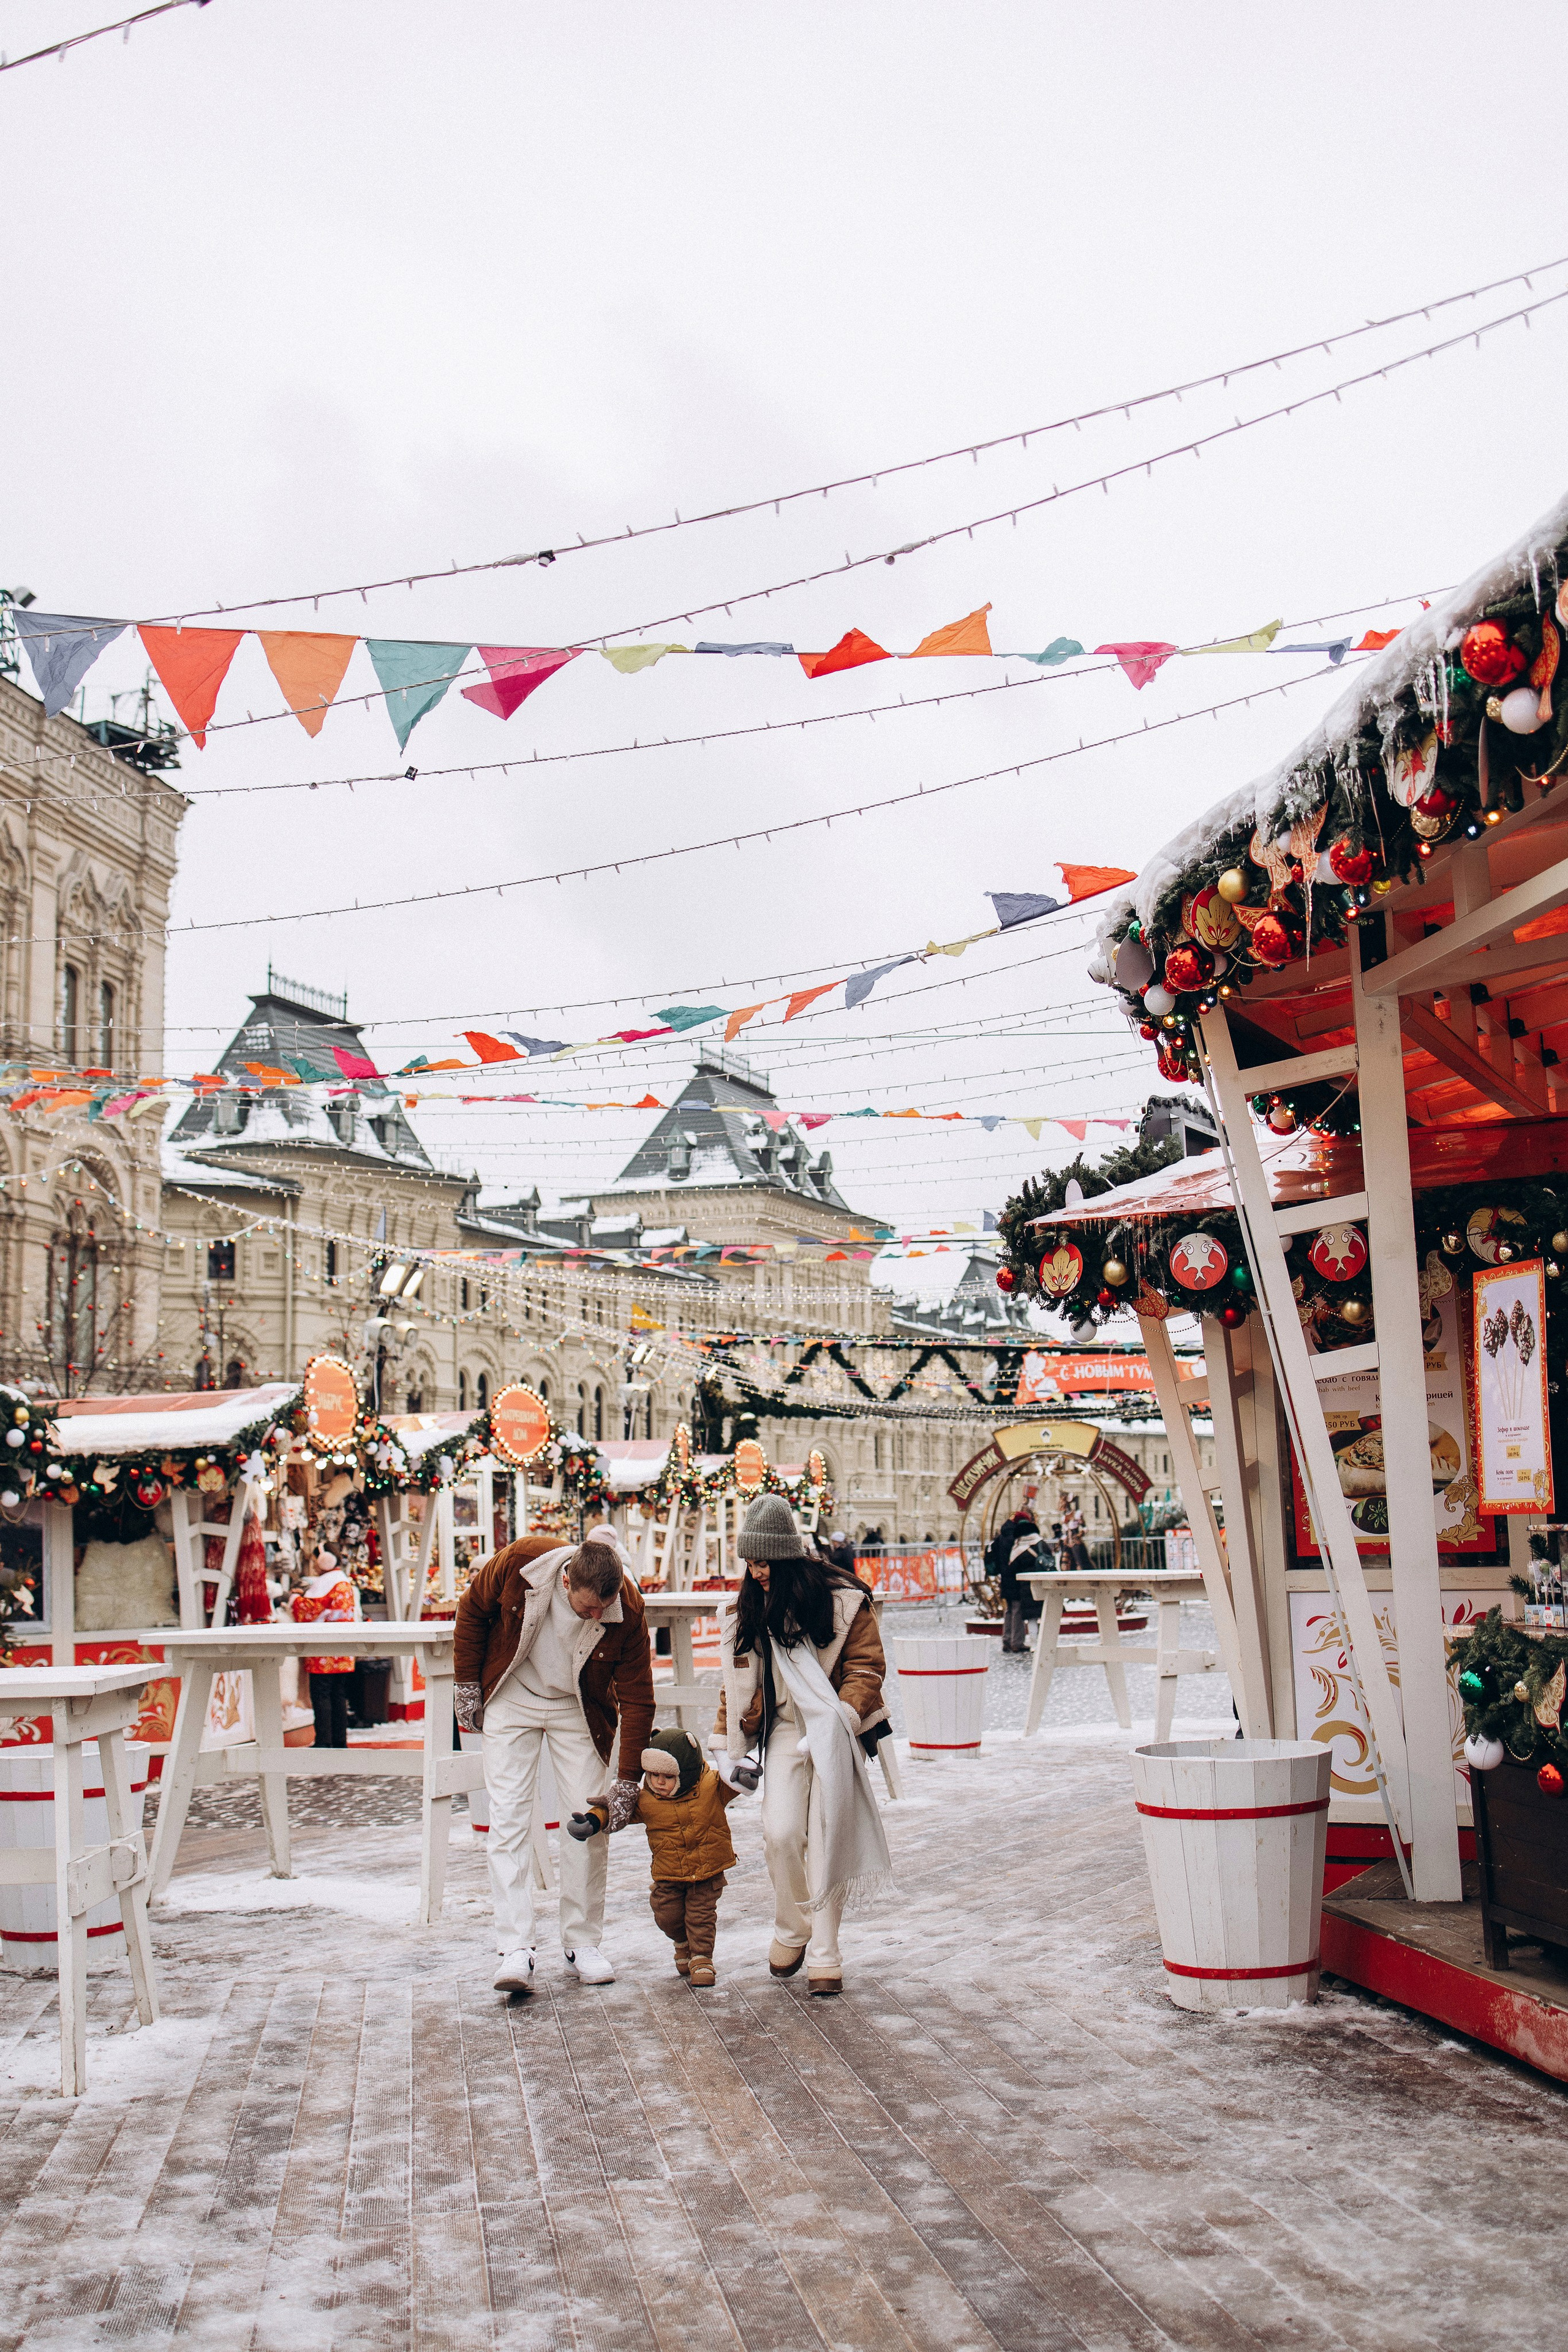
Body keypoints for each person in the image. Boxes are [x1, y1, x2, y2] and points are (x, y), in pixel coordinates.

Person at [454, 1532, 654, 1996]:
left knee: (585, 1821)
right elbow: (472, 1611)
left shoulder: (627, 1608)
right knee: (508, 1818)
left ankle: (581, 1943)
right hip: (512, 1695)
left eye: (604, 1608)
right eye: (588, 1609)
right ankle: (514, 1947)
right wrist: (467, 1685)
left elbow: (639, 1697)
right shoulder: (522, 1563)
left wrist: (626, 1783)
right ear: (566, 1581)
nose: (597, 1617)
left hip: (578, 1709)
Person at [712, 1494, 892, 1997]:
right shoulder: (747, 1607)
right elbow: (736, 1684)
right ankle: (793, 1924)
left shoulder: (842, 1600)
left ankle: (826, 1954)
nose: (756, 1571)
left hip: (835, 1728)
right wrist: (725, 1745)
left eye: (763, 1561)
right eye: (749, 1562)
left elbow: (866, 1668)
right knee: (782, 1833)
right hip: (783, 1731)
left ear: (787, 1559)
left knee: (828, 1833)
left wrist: (842, 1720)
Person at [568, 1727, 758, 1988]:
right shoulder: (646, 1799)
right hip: (668, 1872)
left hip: (707, 1870)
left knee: (700, 1916)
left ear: (687, 1772)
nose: (659, 1782)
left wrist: (744, 1778)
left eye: (668, 1776)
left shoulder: (711, 1786)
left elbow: (733, 1783)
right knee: (666, 1914)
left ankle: (702, 1959)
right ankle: (682, 1944)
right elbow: (616, 1811)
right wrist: (592, 1821)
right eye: (654, 1774)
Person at [291, 1550, 359, 1747]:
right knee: (338, 1694)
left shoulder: (326, 1583)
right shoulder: (343, 1582)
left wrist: (294, 1599)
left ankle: (323, 1740)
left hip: (324, 1650)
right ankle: (339, 1740)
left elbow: (309, 1610)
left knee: (321, 1694)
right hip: (343, 1648)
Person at [998, 1512, 1044, 1654]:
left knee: (1009, 1610)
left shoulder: (1002, 1536)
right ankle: (1017, 1642)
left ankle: (1007, 1640)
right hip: (1016, 1579)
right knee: (1017, 1610)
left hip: (1005, 1578)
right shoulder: (1016, 1538)